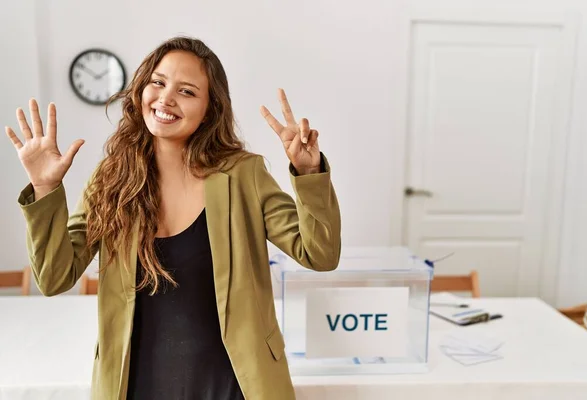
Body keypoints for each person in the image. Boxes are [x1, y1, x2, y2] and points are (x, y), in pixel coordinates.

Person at [4, 36, 341, 400]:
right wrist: (44, 189)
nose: (166, 99)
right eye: (158, 82)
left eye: (187, 91)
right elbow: (54, 277)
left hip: (233, 385)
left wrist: (309, 175)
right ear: (141, 88)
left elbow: (319, 254)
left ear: (210, 109)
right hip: (136, 385)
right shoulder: (111, 178)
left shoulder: (244, 174)